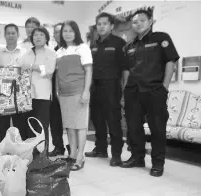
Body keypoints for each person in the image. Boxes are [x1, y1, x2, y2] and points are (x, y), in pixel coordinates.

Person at [120, 10, 179, 177]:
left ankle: (158, 163)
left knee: (157, 129)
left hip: (154, 91)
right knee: (133, 128)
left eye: (142, 20)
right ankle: (137, 158)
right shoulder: (129, 46)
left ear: (151, 21)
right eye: (135, 22)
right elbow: (126, 71)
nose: (138, 24)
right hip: (133, 92)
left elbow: (171, 61)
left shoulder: (161, 38)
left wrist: (164, 87)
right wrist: (125, 91)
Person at [85, 12, 126, 167]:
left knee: (113, 121)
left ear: (111, 26)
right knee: (97, 119)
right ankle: (100, 148)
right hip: (95, 87)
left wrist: (124, 89)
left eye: (104, 23)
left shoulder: (119, 43)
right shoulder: (93, 44)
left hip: (111, 87)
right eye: (99, 24)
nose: (101, 26)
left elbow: (124, 68)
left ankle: (116, 154)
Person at [56, 20, 93, 171]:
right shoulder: (59, 51)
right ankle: (72, 154)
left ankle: (80, 156)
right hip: (64, 94)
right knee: (70, 126)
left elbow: (89, 71)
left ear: (76, 32)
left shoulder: (82, 48)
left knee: (80, 126)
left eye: (71, 31)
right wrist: (58, 92)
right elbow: (58, 74)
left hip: (79, 92)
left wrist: (86, 91)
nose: (68, 34)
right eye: (65, 31)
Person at [0, 23, 28, 141]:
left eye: (13, 33)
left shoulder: (25, 52)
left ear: (18, 35)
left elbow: (27, 71)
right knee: (3, 125)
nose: (11, 35)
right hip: (3, 94)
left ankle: (22, 152)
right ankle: (2, 152)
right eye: (8, 33)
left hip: (20, 94)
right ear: (4, 35)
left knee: (20, 124)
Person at [20, 27, 56, 139]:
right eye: (35, 35)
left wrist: (32, 66)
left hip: (42, 94)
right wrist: (39, 67)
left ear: (46, 38)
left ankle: (41, 153)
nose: (38, 37)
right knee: (27, 124)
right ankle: (29, 152)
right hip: (26, 95)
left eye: (41, 35)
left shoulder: (51, 53)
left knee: (41, 125)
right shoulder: (27, 54)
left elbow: (48, 72)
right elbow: (20, 69)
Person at [48, 22, 68, 157]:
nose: (58, 34)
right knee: (55, 121)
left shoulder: (73, 49)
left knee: (71, 122)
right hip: (54, 92)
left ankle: (74, 148)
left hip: (70, 92)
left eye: (61, 31)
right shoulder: (53, 51)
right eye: (55, 32)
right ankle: (58, 147)